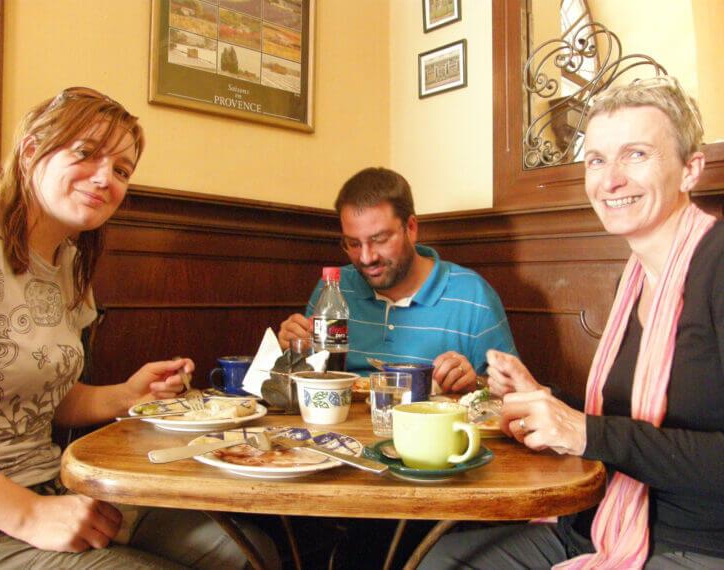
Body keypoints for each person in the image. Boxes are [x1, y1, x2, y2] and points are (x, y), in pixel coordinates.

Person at [0, 86, 278, 569]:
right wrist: (27, 514)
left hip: (55, 482)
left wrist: (131, 394)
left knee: (248, 553)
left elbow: (46, 400)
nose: (104, 178)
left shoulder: (70, 262)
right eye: (86, 153)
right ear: (31, 150)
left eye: (122, 170)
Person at [419, 77, 724, 569]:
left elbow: (607, 436)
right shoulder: (637, 280)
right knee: (435, 562)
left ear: (690, 169)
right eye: (597, 160)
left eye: (636, 155)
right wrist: (542, 398)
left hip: (693, 545)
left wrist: (583, 432)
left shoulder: (717, 265)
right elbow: (627, 421)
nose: (611, 180)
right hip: (597, 522)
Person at [278, 167, 516, 393]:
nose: (366, 257)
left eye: (380, 239)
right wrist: (292, 349)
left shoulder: (472, 295)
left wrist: (473, 382)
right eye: (353, 244)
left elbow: (513, 391)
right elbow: (303, 378)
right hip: (336, 430)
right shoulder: (334, 289)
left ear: (411, 228)